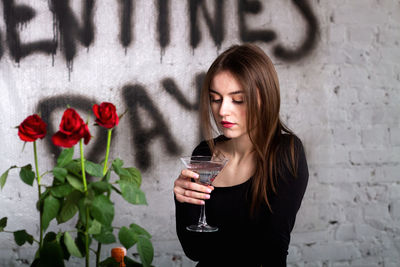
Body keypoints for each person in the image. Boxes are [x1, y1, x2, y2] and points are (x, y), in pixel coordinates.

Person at [173, 43, 309, 267]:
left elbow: (273, 252)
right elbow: (194, 249)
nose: (222, 110)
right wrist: (183, 200)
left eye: (238, 99)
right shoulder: (204, 153)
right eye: (216, 99)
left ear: (264, 98)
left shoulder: (286, 152)